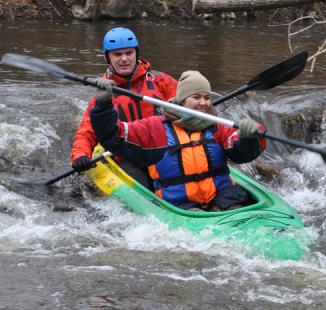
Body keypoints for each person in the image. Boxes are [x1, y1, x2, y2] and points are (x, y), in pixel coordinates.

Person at [90, 70, 266, 211]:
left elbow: (242, 154)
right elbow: (114, 135)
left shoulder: (218, 126)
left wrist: (250, 138)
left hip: (224, 196)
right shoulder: (155, 127)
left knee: (235, 207)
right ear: (182, 100)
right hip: (180, 204)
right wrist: (104, 106)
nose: (203, 103)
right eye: (196, 97)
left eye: (207, 97)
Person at [70, 27, 177, 183]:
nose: (124, 59)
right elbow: (86, 131)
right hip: (127, 156)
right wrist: (80, 155)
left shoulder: (160, 80)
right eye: (117, 54)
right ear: (108, 58)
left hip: (164, 149)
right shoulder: (103, 96)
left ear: (136, 53)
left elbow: (190, 103)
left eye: (129, 53)